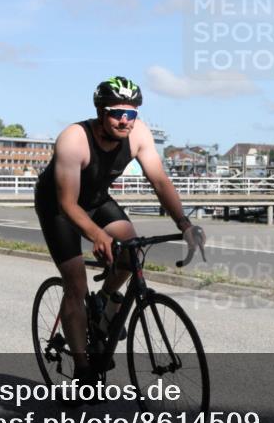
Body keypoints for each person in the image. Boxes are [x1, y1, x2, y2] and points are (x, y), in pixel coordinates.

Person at [34, 76, 205, 383]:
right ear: (101, 112)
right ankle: (83, 368)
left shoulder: (138, 134)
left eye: (131, 113)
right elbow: (68, 205)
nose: (124, 120)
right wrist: (98, 236)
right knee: (75, 283)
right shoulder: (74, 139)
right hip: (59, 207)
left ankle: (105, 301)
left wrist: (185, 224)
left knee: (132, 250)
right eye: (116, 113)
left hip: (98, 200)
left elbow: (160, 181)